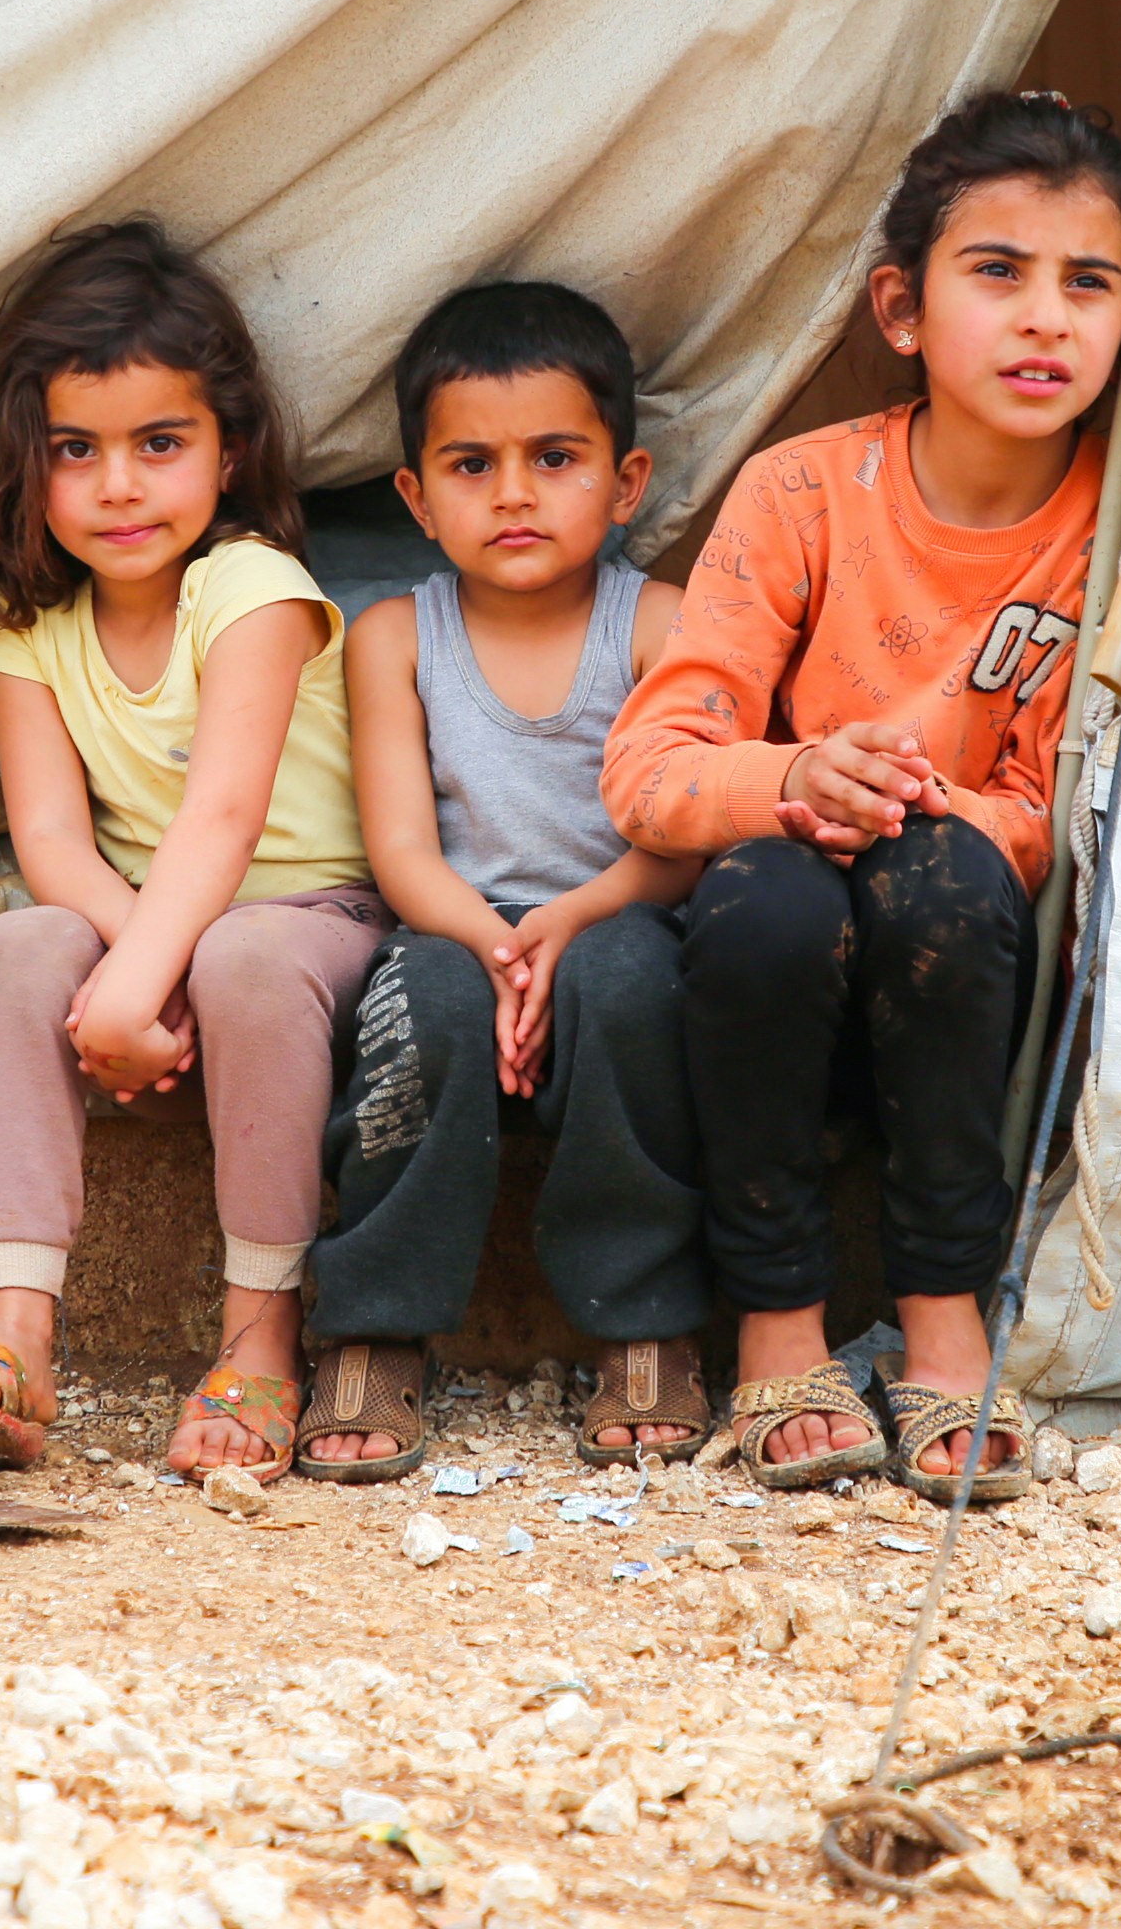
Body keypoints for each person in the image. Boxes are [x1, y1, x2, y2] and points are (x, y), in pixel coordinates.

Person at [600, 91, 1121, 1499]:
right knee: (771, 894)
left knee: (950, 872)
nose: (1047, 319)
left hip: (955, 953)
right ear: (902, 309)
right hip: (777, 955)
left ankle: (946, 1321)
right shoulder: (802, 494)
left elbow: (1046, 807)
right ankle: (778, 1322)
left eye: (1090, 282)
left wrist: (927, 807)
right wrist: (797, 775)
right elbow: (651, 772)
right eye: (999, 271)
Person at [0, 220, 382, 1483]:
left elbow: (223, 818)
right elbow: (50, 833)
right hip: (148, 918)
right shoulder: (32, 621)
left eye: (160, 444)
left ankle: (261, 1336)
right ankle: (13, 1336)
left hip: (302, 910)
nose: (119, 485)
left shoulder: (253, 590)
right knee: (19, 940)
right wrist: (131, 972)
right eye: (76, 450)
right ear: (28, 461)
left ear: (230, 451)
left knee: (251, 960)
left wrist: (142, 981)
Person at [296, 285, 709, 1482]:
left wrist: (568, 926)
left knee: (632, 981)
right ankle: (372, 1323)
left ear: (625, 484)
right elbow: (403, 852)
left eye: (555, 457)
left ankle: (646, 1322)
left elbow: (684, 834)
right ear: (417, 498)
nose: (515, 492)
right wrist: (493, 944)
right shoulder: (391, 638)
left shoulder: (658, 624)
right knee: (419, 1000)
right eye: (472, 464)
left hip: (620, 909)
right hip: (452, 923)